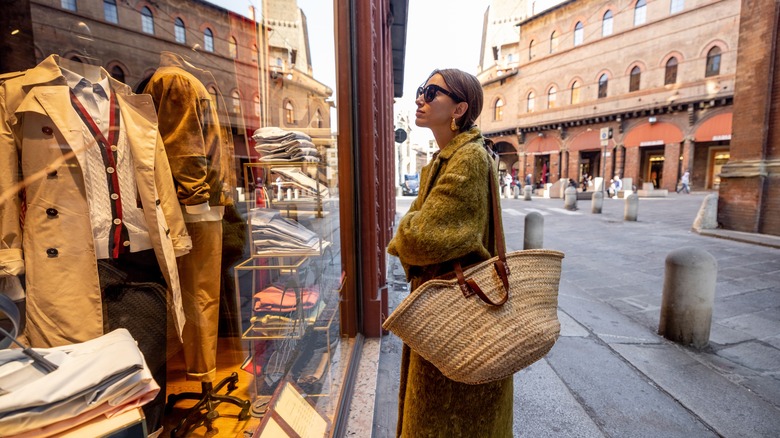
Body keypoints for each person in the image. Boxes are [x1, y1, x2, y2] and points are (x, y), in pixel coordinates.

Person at [387, 69, 513, 437]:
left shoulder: (468, 160)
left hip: (459, 312)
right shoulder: (445, 160)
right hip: (447, 306)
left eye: (431, 92)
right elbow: (416, 232)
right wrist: (409, 234)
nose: (419, 99)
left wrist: (406, 237)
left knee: (452, 418)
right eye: (419, 90)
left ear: (460, 108)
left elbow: (421, 237)